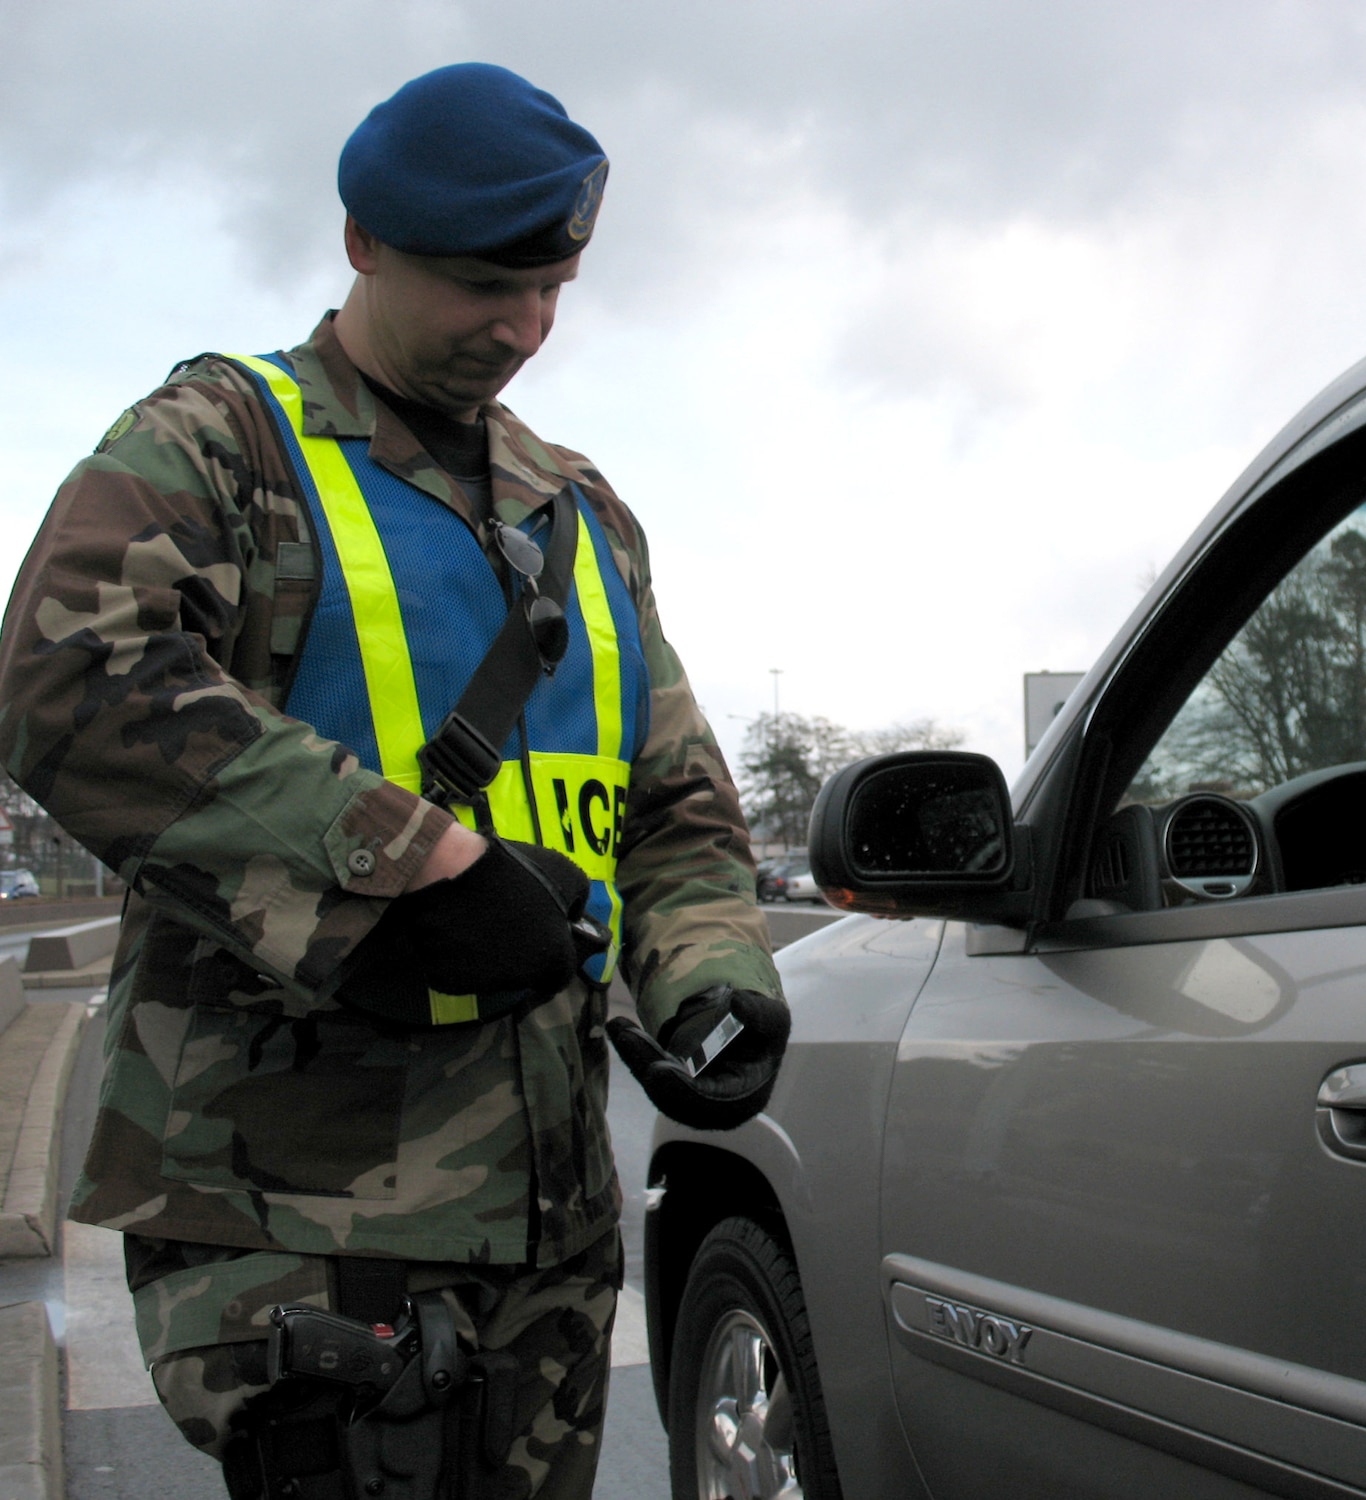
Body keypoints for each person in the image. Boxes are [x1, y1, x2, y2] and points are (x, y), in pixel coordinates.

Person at [0, 63, 788, 1500]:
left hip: (550, 1220)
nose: (526, 326)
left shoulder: (582, 507)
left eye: (554, 285)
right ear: (365, 244)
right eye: (486, 284)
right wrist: (416, 865)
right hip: (307, 1226)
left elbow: (673, 800)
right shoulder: (222, 446)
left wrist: (715, 971)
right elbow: (73, 677)